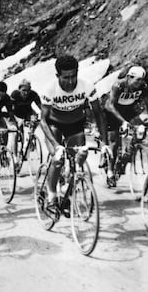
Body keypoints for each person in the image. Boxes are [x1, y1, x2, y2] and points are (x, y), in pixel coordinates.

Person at [40, 55, 109, 209]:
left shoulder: (86, 86)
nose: (70, 81)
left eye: (73, 76)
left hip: (75, 125)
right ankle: (51, 196)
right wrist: (55, 145)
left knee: (79, 159)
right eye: (66, 77)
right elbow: (42, 120)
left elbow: (99, 114)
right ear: (58, 76)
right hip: (54, 125)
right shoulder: (50, 89)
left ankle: (67, 188)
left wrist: (104, 143)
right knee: (57, 160)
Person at [100, 66, 148, 181]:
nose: (140, 82)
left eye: (142, 79)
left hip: (128, 110)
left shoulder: (143, 87)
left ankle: (124, 160)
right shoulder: (119, 85)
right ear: (128, 77)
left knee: (137, 135)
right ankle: (110, 171)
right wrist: (123, 122)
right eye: (137, 80)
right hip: (112, 111)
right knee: (115, 141)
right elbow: (110, 105)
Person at [10, 78, 42, 163]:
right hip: (16, 114)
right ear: (19, 89)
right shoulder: (15, 94)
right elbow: (10, 110)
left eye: (28, 90)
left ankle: (30, 140)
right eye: (23, 90)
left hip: (28, 112)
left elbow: (41, 107)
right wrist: (16, 121)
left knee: (35, 119)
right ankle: (15, 156)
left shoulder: (33, 94)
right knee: (16, 133)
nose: (26, 93)